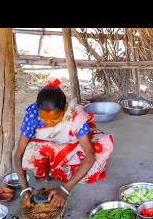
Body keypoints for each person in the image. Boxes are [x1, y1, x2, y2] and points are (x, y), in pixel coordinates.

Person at [14, 79, 115, 208]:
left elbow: (90, 156)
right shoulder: (32, 115)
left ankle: (66, 175)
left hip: (75, 148)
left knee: (104, 144)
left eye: (55, 118)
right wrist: (25, 189)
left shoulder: (75, 114)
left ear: (65, 108)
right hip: (52, 151)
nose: (49, 123)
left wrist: (65, 190)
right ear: (37, 110)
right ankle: (58, 172)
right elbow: (18, 155)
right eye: (43, 118)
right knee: (31, 150)